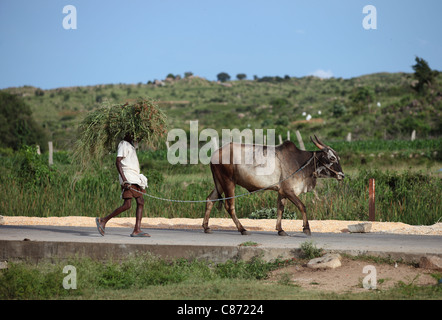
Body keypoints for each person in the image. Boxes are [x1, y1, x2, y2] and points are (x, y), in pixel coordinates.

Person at [96, 133, 150, 237]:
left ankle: (137, 229)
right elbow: (118, 161)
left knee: (139, 201)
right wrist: (125, 180)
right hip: (128, 177)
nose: (134, 136)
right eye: (131, 133)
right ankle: (103, 220)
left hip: (135, 177)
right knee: (129, 204)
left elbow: (140, 137)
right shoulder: (123, 144)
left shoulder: (131, 145)